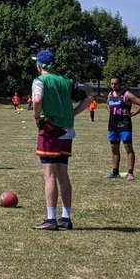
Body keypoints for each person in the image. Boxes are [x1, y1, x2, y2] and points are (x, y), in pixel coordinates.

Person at [31, 49, 88, 231]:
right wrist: (72, 113)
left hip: (50, 130)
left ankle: (50, 219)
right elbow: (87, 99)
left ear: (39, 64)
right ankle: (66, 217)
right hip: (67, 131)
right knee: (63, 174)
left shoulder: (40, 80)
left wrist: (37, 117)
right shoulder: (66, 81)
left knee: (50, 175)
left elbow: (37, 99)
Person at [106, 77, 140, 181]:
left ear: (120, 84)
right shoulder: (110, 95)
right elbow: (107, 104)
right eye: (111, 84)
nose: (113, 86)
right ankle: (115, 172)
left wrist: (131, 114)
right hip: (112, 125)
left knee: (128, 147)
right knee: (114, 148)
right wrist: (110, 110)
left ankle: (130, 173)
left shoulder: (127, 94)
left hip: (124, 124)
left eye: (115, 84)